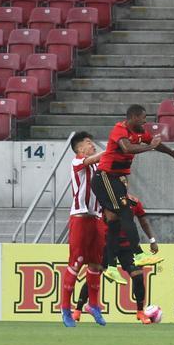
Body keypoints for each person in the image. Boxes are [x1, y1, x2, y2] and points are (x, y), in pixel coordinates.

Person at [90, 105, 174, 325]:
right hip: (105, 177)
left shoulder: (140, 133)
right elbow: (126, 148)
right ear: (132, 117)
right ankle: (137, 253)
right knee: (125, 212)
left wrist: (172, 154)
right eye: (142, 118)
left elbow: (155, 143)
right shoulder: (120, 129)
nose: (145, 122)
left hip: (116, 179)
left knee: (115, 220)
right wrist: (149, 147)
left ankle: (111, 266)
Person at [75, 194, 159, 324]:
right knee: (94, 275)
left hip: (126, 246)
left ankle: (140, 312)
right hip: (106, 245)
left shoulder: (134, 202)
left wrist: (152, 240)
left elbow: (143, 221)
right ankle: (78, 310)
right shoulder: (105, 201)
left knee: (138, 276)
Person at [61, 132, 107, 327]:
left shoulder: (96, 165)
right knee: (76, 263)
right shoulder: (77, 161)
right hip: (80, 218)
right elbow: (95, 158)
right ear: (80, 148)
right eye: (88, 143)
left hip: (96, 217)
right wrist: (114, 148)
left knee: (97, 264)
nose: (92, 145)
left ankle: (93, 305)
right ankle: (65, 309)